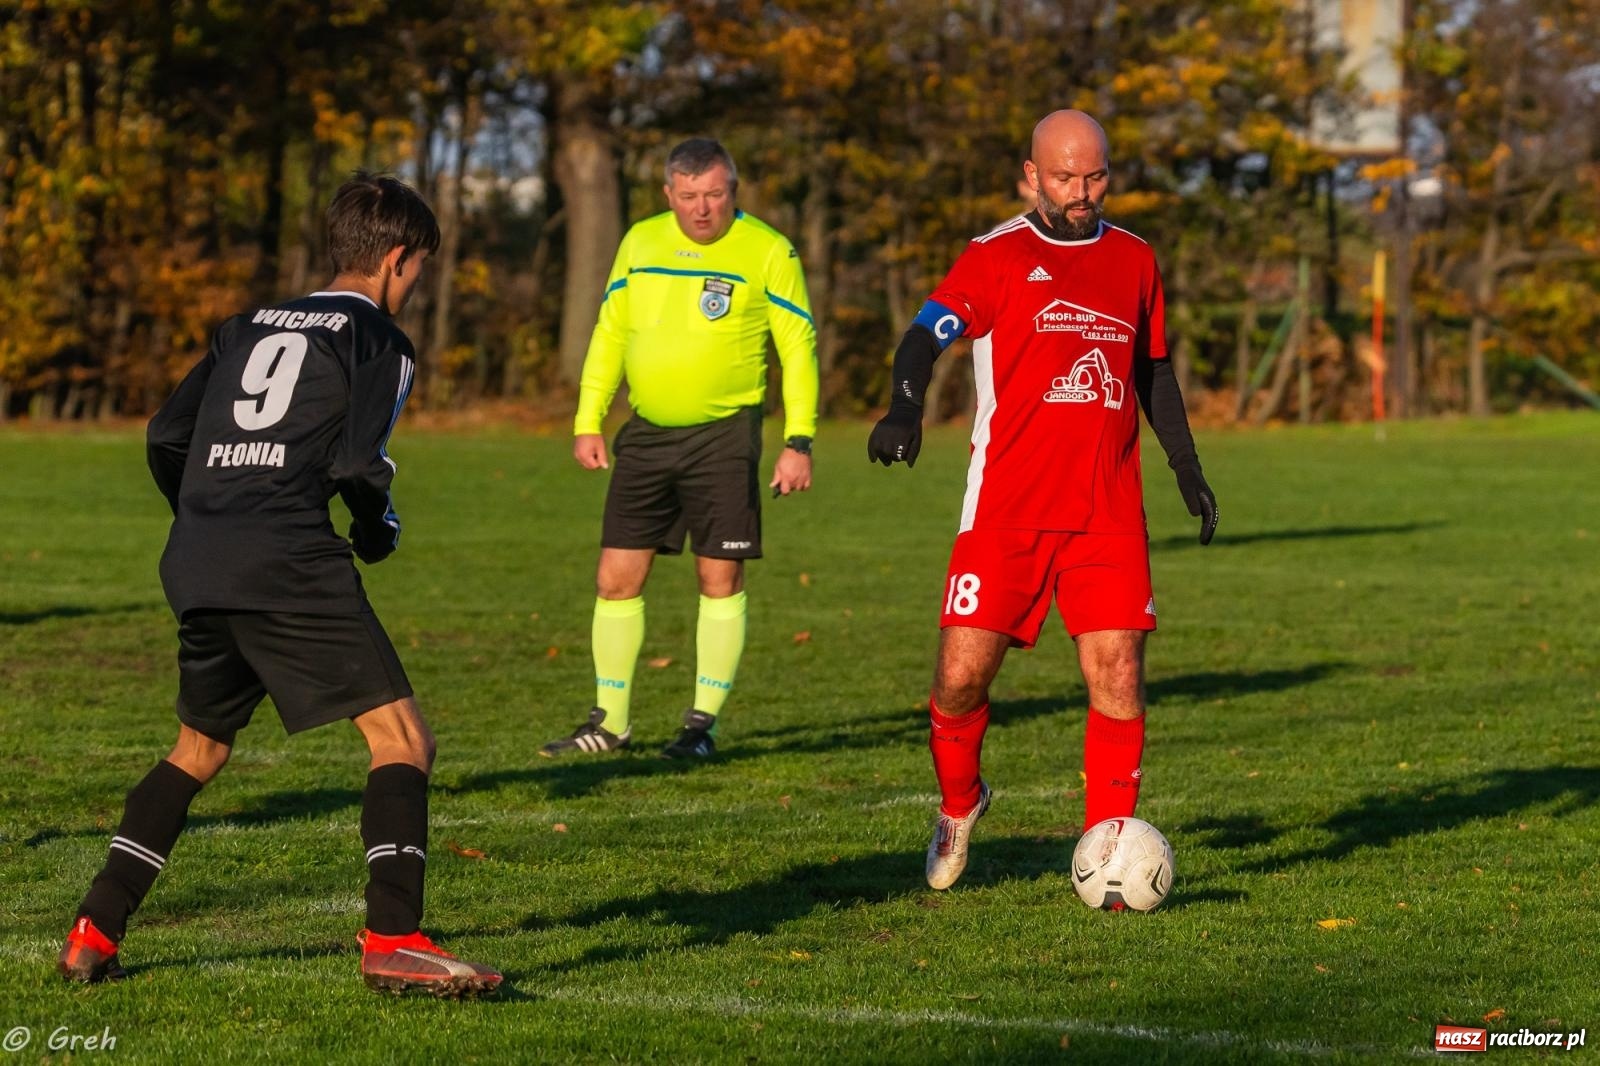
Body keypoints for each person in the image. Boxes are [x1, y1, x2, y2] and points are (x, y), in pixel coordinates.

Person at [57, 173, 501, 996]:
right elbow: (360, 465)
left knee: (197, 750)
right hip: (287, 557)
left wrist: (206, 513)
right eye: (419, 270)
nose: (415, 285)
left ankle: (94, 929)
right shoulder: (379, 342)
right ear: (398, 260)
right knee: (403, 742)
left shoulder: (245, 324)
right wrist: (376, 531)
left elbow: (165, 435)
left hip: (198, 554)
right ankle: (394, 940)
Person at [866, 111, 1219, 891]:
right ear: (1031, 175)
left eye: (1095, 176)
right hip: (1007, 508)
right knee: (960, 679)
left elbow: (1152, 371)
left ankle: (1109, 853)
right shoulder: (996, 257)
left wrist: (1187, 468)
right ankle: (961, 804)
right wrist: (903, 406)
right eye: (1065, 178)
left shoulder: (1133, 258)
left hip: (1107, 508)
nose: (1082, 192)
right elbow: (923, 335)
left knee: (1119, 672)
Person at [542, 137, 819, 761]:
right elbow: (610, 332)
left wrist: (798, 440)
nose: (702, 209)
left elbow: (798, 349)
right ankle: (609, 722)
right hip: (645, 434)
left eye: (714, 195)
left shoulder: (769, 250)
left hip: (724, 434)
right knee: (615, 579)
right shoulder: (640, 242)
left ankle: (700, 726)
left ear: (734, 191)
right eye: (689, 196)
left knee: (717, 577)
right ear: (668, 195)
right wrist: (588, 419)